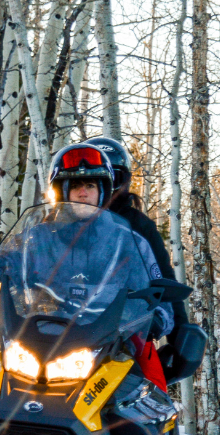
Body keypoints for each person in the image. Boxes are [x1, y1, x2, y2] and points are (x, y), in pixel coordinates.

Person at [44, 142, 174, 342]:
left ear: (103, 191)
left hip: (115, 337)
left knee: (148, 372)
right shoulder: (43, 236)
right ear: (63, 191)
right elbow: (14, 260)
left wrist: (156, 317)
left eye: (90, 186)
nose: (83, 193)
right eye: (76, 186)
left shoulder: (130, 238)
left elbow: (158, 285)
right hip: (50, 334)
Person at [85, 136, 189, 342]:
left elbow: (163, 279)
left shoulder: (139, 226)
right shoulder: (60, 225)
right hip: (63, 326)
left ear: (123, 181)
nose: (104, 184)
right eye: (93, 179)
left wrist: (180, 337)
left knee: (149, 371)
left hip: (124, 330)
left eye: (111, 177)